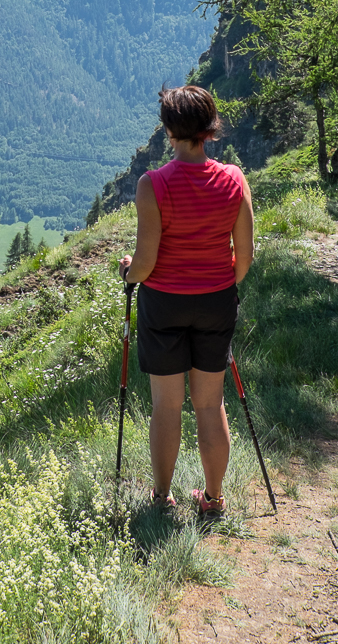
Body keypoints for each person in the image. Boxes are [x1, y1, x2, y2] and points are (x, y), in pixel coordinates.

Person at [119, 84, 254, 516]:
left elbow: (144, 263)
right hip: (216, 301)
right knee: (210, 405)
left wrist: (125, 270)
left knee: (166, 405)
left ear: (168, 130)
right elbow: (246, 257)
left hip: (164, 305)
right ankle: (213, 500)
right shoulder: (234, 180)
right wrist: (217, 283)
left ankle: (161, 497)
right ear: (210, 129)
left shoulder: (152, 185)